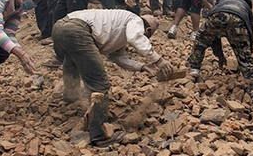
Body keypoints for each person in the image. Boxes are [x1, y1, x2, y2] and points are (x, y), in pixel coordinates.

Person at [52, 9, 172, 145]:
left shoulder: (120, 25)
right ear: (147, 30)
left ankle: (70, 97)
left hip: (60, 27)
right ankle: (98, 134)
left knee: (73, 60)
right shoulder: (135, 20)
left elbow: (119, 58)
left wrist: (142, 67)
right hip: (77, 30)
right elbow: (135, 38)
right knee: (99, 84)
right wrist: (158, 60)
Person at [188, 0, 253, 105]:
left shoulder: (222, 2)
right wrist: (246, 53)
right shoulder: (246, 7)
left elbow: (213, 37)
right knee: (244, 55)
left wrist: (220, 56)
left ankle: (194, 69)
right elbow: (249, 33)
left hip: (216, 16)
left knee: (200, 41)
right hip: (237, 18)